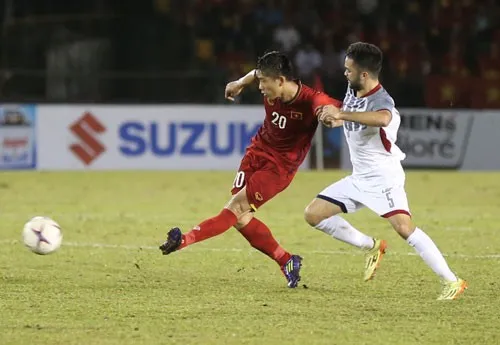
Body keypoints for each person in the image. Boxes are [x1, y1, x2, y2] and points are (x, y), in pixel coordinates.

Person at [159, 51, 342, 288]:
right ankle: (287, 260)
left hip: (278, 169)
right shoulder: (268, 79)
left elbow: (329, 108)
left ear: (280, 81)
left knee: (234, 208)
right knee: (240, 218)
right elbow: (254, 74)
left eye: (265, 83)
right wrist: (239, 83)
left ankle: (184, 240)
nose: (260, 87)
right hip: (256, 152)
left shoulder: (310, 99)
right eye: (260, 81)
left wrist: (330, 116)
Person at [307, 42, 467, 300]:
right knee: (314, 214)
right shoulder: (352, 89)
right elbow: (347, 121)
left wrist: (343, 115)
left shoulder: (382, 100)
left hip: (383, 178)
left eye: (349, 70)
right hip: (359, 177)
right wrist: (332, 119)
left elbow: (382, 119)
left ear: (365, 74)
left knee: (405, 229)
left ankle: (453, 281)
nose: (345, 74)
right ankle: (371, 246)